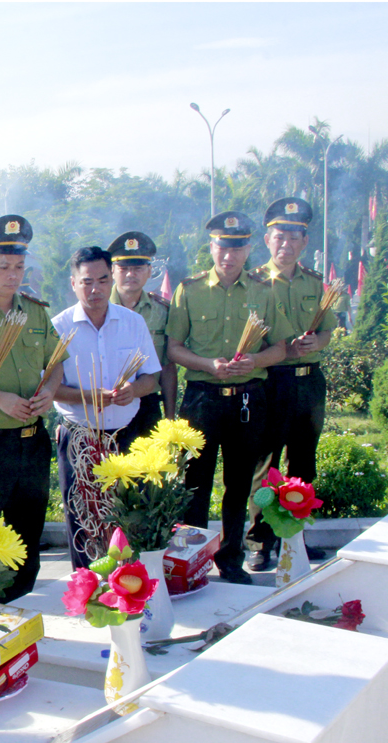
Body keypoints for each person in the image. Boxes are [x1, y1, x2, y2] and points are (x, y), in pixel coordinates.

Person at [165, 211, 290, 584]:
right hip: (203, 396)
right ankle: (194, 561)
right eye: (223, 247)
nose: (229, 255)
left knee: (238, 483)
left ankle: (231, 558)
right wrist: (207, 363)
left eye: (237, 248)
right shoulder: (190, 289)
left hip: (247, 398)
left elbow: (280, 348)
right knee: (195, 485)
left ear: (249, 249)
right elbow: (173, 348)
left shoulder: (263, 291)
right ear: (212, 248)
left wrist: (255, 360)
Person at [0, 215, 61, 601]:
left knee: (27, 535)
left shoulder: (35, 313)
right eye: (3, 267)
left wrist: (49, 392)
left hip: (31, 442)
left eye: (19, 267)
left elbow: (56, 363)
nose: (12, 275)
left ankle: (20, 606)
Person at [52, 247, 161, 568]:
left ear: (111, 278)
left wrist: (133, 389)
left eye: (102, 280)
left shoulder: (132, 322)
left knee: (128, 513)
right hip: (80, 438)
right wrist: (88, 396)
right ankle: (86, 589)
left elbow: (151, 377)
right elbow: (50, 388)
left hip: (126, 435)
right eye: (87, 282)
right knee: (83, 515)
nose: (96, 289)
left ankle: (128, 585)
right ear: (73, 283)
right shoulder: (58, 327)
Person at [246, 198, 336, 570]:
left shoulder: (316, 283)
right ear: (267, 240)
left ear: (305, 241)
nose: (286, 244)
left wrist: (320, 342)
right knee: (265, 465)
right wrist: (279, 350)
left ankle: (295, 540)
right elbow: (248, 337)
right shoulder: (253, 283)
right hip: (273, 381)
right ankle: (259, 543)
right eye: (279, 236)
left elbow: (328, 328)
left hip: (309, 382)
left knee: (304, 463)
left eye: (294, 237)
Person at [107, 231, 177, 449]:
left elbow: (167, 367)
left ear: (149, 272)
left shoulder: (162, 311)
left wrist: (170, 416)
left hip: (147, 404)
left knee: (149, 476)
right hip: (106, 402)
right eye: (124, 268)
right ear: (112, 271)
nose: (130, 274)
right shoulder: (97, 310)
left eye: (137, 268)